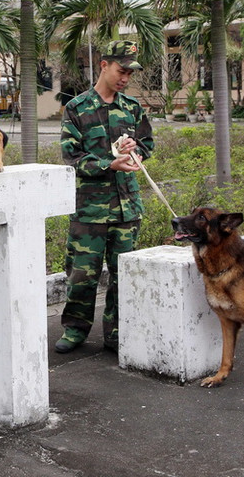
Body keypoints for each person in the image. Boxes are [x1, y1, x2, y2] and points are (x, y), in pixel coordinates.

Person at [56, 40, 154, 354]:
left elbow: (147, 145)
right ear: (104, 65)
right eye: (121, 70)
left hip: (127, 208)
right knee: (82, 274)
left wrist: (135, 151)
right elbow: (71, 156)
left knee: (123, 276)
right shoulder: (77, 107)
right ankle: (75, 330)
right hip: (89, 208)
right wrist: (106, 163)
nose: (125, 78)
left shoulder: (132, 107)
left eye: (130, 73)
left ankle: (116, 333)